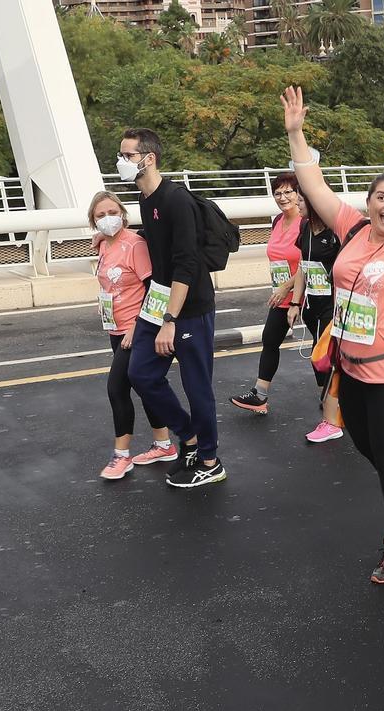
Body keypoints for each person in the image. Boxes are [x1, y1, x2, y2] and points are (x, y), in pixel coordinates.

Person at [282, 84, 384, 584]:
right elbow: (312, 184)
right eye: (381, 197)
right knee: (365, 445)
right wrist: (296, 133)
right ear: (368, 201)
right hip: (349, 364)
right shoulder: (352, 229)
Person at [118, 127, 225, 488]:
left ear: (148, 159)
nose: (121, 162)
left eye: (127, 156)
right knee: (141, 373)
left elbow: (186, 264)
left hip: (188, 307)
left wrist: (170, 321)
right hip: (161, 302)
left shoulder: (175, 199)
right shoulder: (146, 200)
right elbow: (160, 248)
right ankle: (189, 438)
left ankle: (210, 460)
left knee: (197, 387)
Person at [89, 191, 178, 479]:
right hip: (115, 328)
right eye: (100, 215)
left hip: (136, 330)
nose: (107, 219)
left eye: (112, 212)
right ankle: (164, 444)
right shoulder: (104, 245)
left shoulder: (134, 245)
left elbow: (156, 289)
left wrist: (137, 327)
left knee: (117, 388)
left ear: (123, 214)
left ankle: (121, 456)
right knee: (144, 386)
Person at [230, 173, 305, 415]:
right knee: (270, 339)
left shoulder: (306, 221)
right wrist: (281, 287)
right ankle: (259, 394)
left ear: (298, 194)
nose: (283, 198)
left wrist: (289, 287)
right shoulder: (277, 221)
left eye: (288, 192)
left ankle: (331, 399)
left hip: (309, 292)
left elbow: (311, 261)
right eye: (278, 193)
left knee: (324, 349)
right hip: (282, 295)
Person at [286, 189, 346, 443]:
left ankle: (332, 418)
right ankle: (334, 403)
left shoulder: (336, 232)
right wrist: (295, 303)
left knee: (321, 358)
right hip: (312, 304)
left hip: (332, 305)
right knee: (325, 359)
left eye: (301, 201)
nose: (296, 204)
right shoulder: (305, 228)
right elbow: (302, 266)